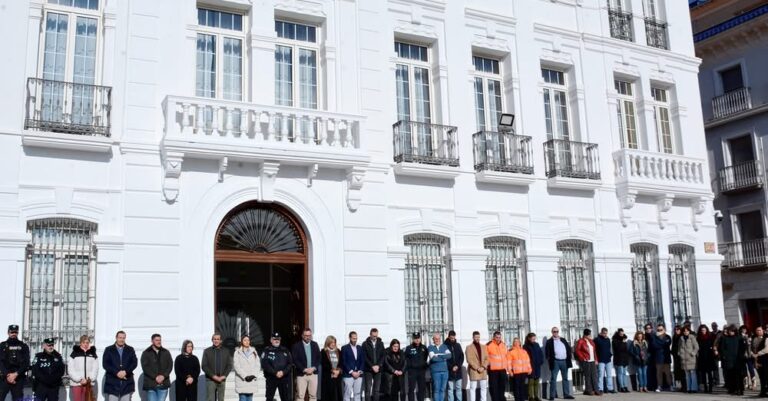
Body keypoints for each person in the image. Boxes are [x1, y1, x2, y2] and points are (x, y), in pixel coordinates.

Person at [103, 330, 138, 401]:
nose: (121, 340)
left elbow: (134, 363)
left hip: (126, 383)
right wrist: (116, 372)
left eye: (123, 338)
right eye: (120, 337)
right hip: (112, 383)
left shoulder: (130, 349)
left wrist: (125, 372)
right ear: (116, 338)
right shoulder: (108, 349)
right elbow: (105, 364)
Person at [0, 324, 30, 401]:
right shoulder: (2, 345)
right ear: (8, 332)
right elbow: (0, 362)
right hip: (5, 377)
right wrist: (8, 375)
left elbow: (26, 363)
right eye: (12, 332)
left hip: (18, 377)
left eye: (15, 332)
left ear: (17, 333)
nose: (13, 334)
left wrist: (15, 374)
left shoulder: (23, 346)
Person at [140, 334, 173, 401]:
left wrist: (163, 376)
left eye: (160, 340)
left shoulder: (166, 352)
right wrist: (156, 377)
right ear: (152, 341)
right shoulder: (146, 353)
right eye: (157, 340)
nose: (159, 342)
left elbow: (170, 365)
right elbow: (145, 367)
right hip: (151, 384)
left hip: (163, 384)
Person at [261, 332, 292, 401]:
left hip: (283, 378)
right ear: (271, 340)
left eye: (278, 339)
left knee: (285, 398)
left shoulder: (285, 350)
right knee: (269, 398)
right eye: (274, 339)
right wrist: (275, 373)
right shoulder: (267, 350)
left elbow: (290, 364)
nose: (276, 340)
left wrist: (283, 372)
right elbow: (264, 364)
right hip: (271, 378)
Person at [202, 332, 233, 401]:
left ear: (220, 340)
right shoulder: (207, 351)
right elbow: (204, 366)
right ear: (212, 340)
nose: (216, 340)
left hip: (222, 379)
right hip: (211, 379)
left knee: (221, 399)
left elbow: (229, 365)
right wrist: (213, 376)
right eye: (214, 339)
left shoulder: (226, 351)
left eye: (218, 339)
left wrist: (224, 376)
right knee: (210, 399)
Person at [544, 327, 573, 400]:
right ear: (552, 332)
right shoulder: (549, 341)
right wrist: (549, 360)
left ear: (558, 332)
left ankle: (566, 394)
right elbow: (547, 353)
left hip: (564, 361)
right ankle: (552, 396)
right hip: (555, 361)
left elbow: (568, 348)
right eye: (554, 331)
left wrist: (569, 356)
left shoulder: (563, 340)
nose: (555, 333)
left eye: (557, 331)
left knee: (565, 378)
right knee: (553, 379)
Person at [292, 328, 320, 401]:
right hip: (301, 374)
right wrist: (304, 369)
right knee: (300, 396)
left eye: (309, 335)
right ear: (302, 336)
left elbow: (319, 358)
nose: (308, 337)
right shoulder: (296, 346)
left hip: (313, 373)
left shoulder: (315, 344)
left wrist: (313, 368)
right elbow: (295, 360)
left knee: (313, 396)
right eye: (306, 335)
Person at [68, 335, 99, 401]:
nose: (85, 344)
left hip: (88, 383)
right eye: (83, 342)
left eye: (87, 343)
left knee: (88, 399)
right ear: (80, 343)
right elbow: (70, 369)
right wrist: (79, 379)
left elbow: (95, 368)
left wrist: (90, 379)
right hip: (77, 383)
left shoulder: (93, 353)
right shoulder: (74, 353)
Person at [718, 325, 746, 396]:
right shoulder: (725, 338)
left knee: (739, 376)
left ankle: (740, 389)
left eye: (732, 331)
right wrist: (725, 356)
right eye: (729, 331)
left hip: (738, 360)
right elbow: (722, 348)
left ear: (735, 331)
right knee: (731, 375)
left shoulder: (739, 338)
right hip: (729, 360)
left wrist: (741, 356)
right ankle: (732, 389)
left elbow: (742, 348)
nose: (730, 332)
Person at [234, 335, 261, 401]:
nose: (247, 342)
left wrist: (253, 375)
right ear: (242, 341)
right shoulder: (237, 352)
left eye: (248, 340)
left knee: (250, 399)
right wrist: (245, 376)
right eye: (245, 340)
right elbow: (236, 366)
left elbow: (257, 365)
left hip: (251, 381)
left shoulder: (254, 351)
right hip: (242, 381)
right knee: (242, 399)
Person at [427, 333, 451, 401]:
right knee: (436, 389)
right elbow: (433, 358)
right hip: (435, 372)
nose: (437, 340)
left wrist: (438, 355)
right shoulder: (430, 347)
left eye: (438, 338)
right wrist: (443, 356)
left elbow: (449, 356)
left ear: (440, 339)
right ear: (433, 339)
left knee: (443, 389)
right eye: (435, 339)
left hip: (445, 371)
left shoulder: (444, 346)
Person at [342, 331, 366, 401]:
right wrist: (351, 372)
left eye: (356, 338)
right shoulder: (345, 348)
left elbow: (362, 361)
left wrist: (359, 371)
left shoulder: (360, 348)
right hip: (348, 374)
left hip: (359, 374)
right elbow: (344, 361)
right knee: (347, 393)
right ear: (349, 338)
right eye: (353, 338)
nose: (355, 340)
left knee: (357, 393)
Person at [465, 331, 488, 401]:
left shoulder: (484, 347)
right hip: (474, 370)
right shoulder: (469, 347)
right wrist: (477, 368)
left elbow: (487, 358)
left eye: (478, 337)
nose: (477, 338)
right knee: (472, 388)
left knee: (483, 388)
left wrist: (483, 367)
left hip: (483, 370)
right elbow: (469, 359)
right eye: (476, 337)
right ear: (473, 337)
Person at [362, 328, 385, 401]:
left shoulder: (381, 343)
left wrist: (378, 365)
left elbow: (383, 355)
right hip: (368, 369)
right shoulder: (365, 344)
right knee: (368, 390)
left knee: (376, 390)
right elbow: (364, 357)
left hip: (378, 369)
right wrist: (372, 366)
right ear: (370, 335)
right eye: (373, 336)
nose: (375, 337)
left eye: (376, 336)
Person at [575, 329, 599, 396]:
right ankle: (589, 390)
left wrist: (596, 359)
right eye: (589, 334)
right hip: (586, 361)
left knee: (594, 375)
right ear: (585, 335)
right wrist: (582, 358)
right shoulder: (580, 341)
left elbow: (594, 351)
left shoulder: (591, 342)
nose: (590, 336)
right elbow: (577, 350)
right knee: (587, 376)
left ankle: (596, 389)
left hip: (592, 360)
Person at [404, 333, 428, 401]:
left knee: (421, 388)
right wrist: (410, 365)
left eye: (418, 338)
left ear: (420, 339)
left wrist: (423, 365)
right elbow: (406, 358)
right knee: (411, 388)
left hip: (421, 371)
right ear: (413, 339)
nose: (417, 340)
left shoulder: (424, 347)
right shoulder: (409, 348)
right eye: (415, 338)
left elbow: (425, 358)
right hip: (412, 371)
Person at [650, 324, 673, 392]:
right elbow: (654, 345)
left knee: (668, 373)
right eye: (658, 330)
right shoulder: (654, 337)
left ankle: (670, 385)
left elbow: (667, 344)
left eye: (661, 330)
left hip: (666, 358)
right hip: (658, 358)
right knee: (659, 373)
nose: (659, 331)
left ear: (664, 330)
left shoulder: (667, 337)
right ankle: (659, 386)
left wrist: (660, 343)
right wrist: (662, 343)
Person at [676, 326, 699, 393]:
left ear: (689, 331)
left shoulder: (692, 337)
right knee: (687, 375)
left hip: (691, 358)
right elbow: (679, 347)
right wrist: (680, 353)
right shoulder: (681, 338)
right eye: (684, 331)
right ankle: (688, 388)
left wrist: (693, 353)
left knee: (692, 374)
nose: (686, 332)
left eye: (687, 331)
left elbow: (696, 347)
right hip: (684, 359)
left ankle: (694, 388)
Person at [486, 331, 507, 401]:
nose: (498, 339)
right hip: (493, 370)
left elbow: (505, 356)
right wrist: (488, 367)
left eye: (499, 337)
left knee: (502, 387)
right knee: (494, 388)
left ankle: (501, 399)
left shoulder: (503, 345)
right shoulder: (489, 345)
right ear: (494, 337)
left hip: (502, 370)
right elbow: (485, 357)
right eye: (497, 337)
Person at [321, 336, 343, 401]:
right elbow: (324, 364)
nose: (333, 344)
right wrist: (333, 371)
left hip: (337, 376)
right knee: (329, 394)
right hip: (328, 376)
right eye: (331, 342)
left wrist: (338, 371)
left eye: (334, 342)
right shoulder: (324, 351)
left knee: (337, 394)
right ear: (328, 342)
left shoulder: (338, 351)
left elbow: (341, 362)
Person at [523, 333, 544, 401]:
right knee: (531, 381)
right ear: (529, 338)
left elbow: (540, 353)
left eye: (534, 339)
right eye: (532, 339)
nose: (534, 340)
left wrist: (541, 361)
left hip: (537, 366)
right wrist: (527, 365)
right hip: (530, 366)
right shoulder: (525, 346)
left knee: (536, 381)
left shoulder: (537, 344)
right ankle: (531, 397)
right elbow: (525, 356)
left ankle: (536, 396)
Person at [444, 330, 464, 401]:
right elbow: (445, 359)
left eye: (453, 338)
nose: (452, 339)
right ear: (448, 337)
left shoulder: (458, 345)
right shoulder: (445, 346)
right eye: (451, 338)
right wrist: (451, 367)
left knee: (458, 388)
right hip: (450, 371)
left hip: (458, 370)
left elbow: (461, 357)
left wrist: (457, 366)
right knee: (450, 389)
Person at [695, 324, 715, 393]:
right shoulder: (698, 338)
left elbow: (713, 345)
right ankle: (705, 388)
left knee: (709, 374)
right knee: (703, 374)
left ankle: (710, 388)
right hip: (702, 357)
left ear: (706, 330)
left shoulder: (710, 337)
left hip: (709, 357)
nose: (703, 331)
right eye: (702, 330)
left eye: (704, 330)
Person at [594, 327, 614, 394]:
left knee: (609, 375)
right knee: (601, 375)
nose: (605, 334)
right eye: (604, 333)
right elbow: (595, 350)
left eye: (606, 333)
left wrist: (610, 354)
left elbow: (609, 348)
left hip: (608, 360)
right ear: (601, 333)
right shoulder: (597, 340)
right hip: (601, 360)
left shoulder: (608, 339)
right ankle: (600, 389)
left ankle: (610, 388)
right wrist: (596, 359)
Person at [611, 329, 630, 393]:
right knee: (620, 373)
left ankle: (625, 386)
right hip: (619, 359)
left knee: (624, 373)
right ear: (618, 333)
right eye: (620, 334)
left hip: (625, 359)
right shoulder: (615, 340)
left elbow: (626, 349)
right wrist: (622, 342)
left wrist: (624, 341)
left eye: (623, 333)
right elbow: (618, 349)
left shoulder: (624, 340)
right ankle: (621, 387)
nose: (622, 335)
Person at [753, 326, 767, 397]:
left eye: (760, 330)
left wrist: (757, 354)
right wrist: (754, 356)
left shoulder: (765, 339)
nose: (758, 331)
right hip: (757, 360)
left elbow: (766, 349)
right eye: (757, 330)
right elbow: (753, 349)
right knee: (761, 376)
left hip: (765, 360)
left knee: (765, 376)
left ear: (763, 331)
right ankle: (763, 391)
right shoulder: (754, 339)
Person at [642, 324, 657, 391]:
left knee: (654, 371)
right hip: (647, 356)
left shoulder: (654, 335)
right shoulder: (643, 337)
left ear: (651, 328)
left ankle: (655, 385)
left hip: (654, 355)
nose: (648, 329)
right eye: (646, 328)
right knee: (648, 371)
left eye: (649, 328)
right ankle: (649, 385)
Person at [741, 325, 756, 391]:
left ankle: (753, 382)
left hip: (749, 355)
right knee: (744, 369)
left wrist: (748, 340)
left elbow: (752, 345)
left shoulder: (750, 336)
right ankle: (746, 383)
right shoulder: (740, 337)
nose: (744, 330)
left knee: (751, 368)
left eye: (745, 329)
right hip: (743, 356)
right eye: (743, 329)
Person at [671, 326, 684, 392]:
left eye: (678, 329)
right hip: (675, 356)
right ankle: (681, 386)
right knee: (677, 371)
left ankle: (684, 386)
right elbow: (673, 345)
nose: (676, 331)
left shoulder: (681, 337)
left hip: (681, 356)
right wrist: (672, 351)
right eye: (675, 329)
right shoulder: (674, 337)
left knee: (682, 371)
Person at [711, 322, 722, 386]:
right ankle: (716, 380)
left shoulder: (720, 333)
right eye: (713, 326)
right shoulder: (711, 334)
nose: (714, 327)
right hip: (713, 352)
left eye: (715, 326)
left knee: (720, 366)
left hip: (719, 351)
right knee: (714, 366)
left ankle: (717, 380)